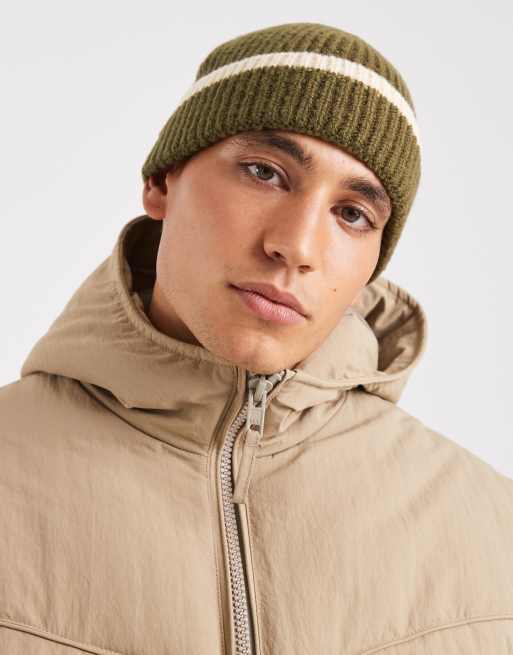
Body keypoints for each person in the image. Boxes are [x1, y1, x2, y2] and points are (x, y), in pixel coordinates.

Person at [1, 20, 512, 655]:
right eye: (264, 172)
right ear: (161, 182)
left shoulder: (493, 532)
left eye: (352, 214)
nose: (296, 245)